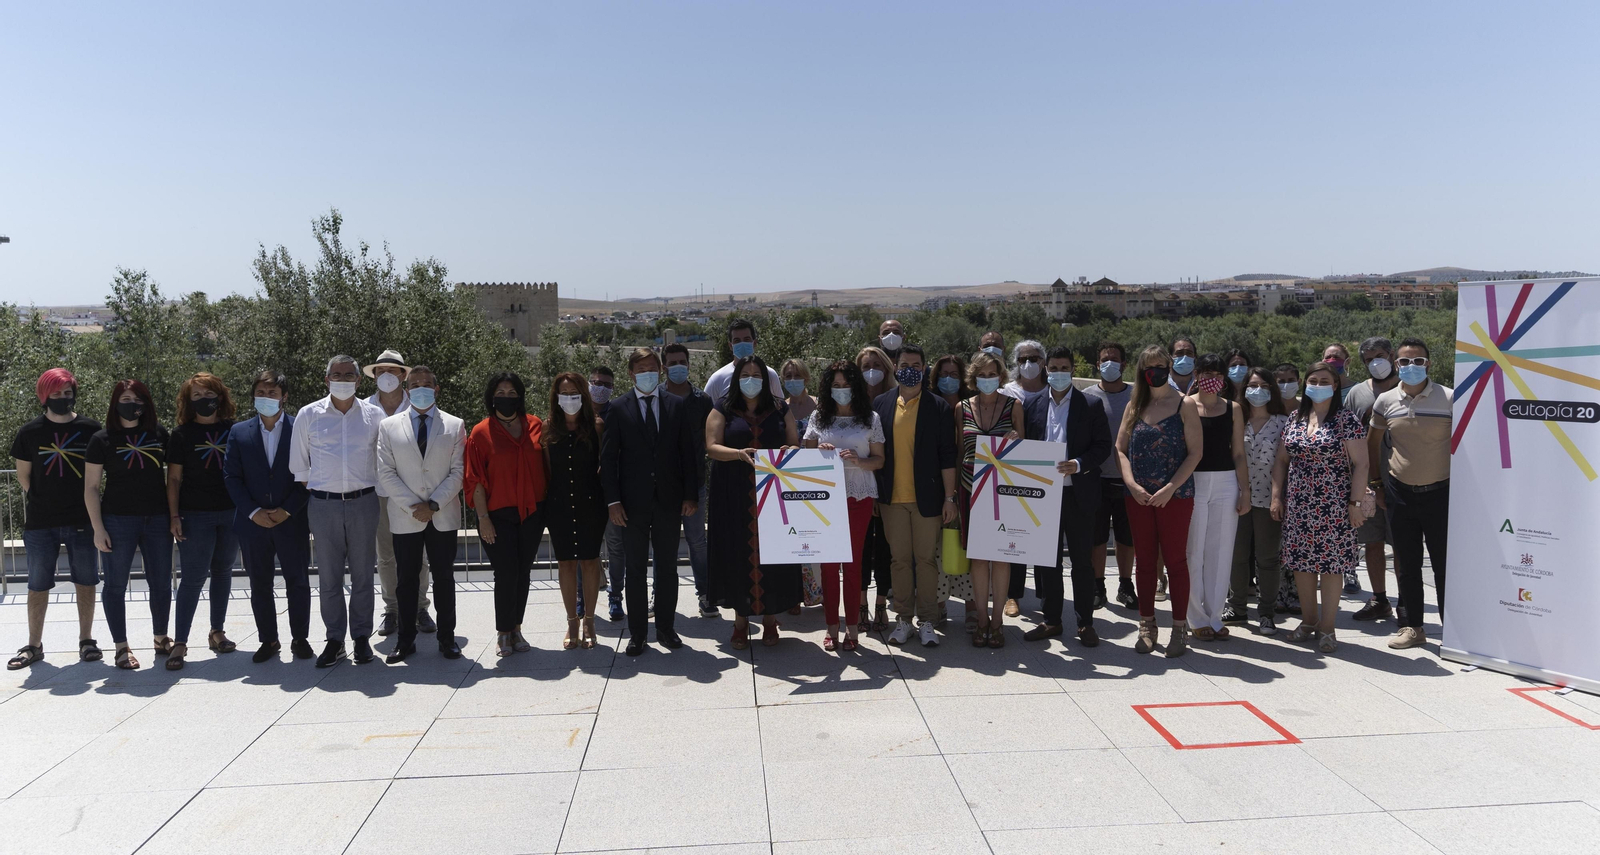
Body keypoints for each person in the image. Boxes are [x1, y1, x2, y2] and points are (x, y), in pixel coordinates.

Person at [601, 347, 700, 656]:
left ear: (659, 371)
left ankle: (667, 629)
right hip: (631, 506)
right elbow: (609, 460)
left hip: (670, 501)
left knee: (668, 568)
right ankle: (638, 634)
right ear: (631, 373)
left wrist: (690, 494)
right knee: (635, 567)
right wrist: (613, 502)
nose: (646, 373)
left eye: (651, 368)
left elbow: (689, 453)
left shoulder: (676, 405)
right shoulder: (617, 408)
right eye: (640, 369)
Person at [289, 354, 386, 668]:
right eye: (336, 374)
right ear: (326, 379)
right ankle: (334, 640)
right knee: (329, 578)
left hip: (364, 503)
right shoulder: (308, 415)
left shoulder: (375, 415)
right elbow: (299, 468)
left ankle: (361, 638)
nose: (342, 379)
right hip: (323, 505)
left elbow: (384, 461)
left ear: (359, 381)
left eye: (348, 375)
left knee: (362, 575)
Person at [1272, 362, 1370, 654]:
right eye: (1312, 380)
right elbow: (1281, 460)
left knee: (1330, 568)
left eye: (1324, 380)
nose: (1317, 385)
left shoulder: (1346, 420)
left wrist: (1355, 503)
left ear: (1336, 385)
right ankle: (1308, 621)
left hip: (1335, 506)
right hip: (1300, 505)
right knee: (1302, 566)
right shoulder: (1294, 419)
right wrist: (1277, 497)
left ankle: (1327, 628)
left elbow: (1362, 464)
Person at [707, 355, 804, 647]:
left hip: (773, 492)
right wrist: (738, 454)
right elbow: (711, 446)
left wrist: (789, 449)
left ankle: (771, 620)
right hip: (733, 492)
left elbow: (794, 441)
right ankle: (740, 621)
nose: (751, 379)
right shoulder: (723, 407)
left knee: (774, 554)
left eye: (757, 374)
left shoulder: (778, 407)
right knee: (738, 553)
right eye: (745, 374)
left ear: (765, 379)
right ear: (736, 379)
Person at [9, 369, 102, 671]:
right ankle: (34, 645)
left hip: (82, 520)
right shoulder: (29, 432)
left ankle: (86, 640)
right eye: (56, 393)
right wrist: (46, 501)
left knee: (86, 582)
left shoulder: (92, 429)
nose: (62, 398)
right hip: (40, 522)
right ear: (44, 395)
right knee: (37, 585)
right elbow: (24, 477)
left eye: (67, 392)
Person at [1021, 347, 1112, 646]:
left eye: (1064, 367)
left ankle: (1085, 623)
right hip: (1043, 496)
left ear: (1073, 369)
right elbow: (1024, 447)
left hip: (1079, 494)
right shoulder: (1031, 404)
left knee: (1082, 562)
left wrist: (1079, 464)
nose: (1058, 372)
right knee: (1047, 563)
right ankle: (1052, 620)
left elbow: (1102, 447)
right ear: (1046, 369)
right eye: (1054, 367)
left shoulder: (1091, 404)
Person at [375, 366, 466, 662]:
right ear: (406, 387)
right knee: (406, 580)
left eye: (427, 383)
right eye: (415, 384)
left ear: (437, 389)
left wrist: (434, 504)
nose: (421, 388)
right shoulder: (389, 426)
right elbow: (385, 472)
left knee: (443, 578)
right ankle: (405, 640)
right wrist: (414, 506)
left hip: (442, 515)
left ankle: (447, 638)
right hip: (405, 516)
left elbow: (458, 472)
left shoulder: (454, 425)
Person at [1117, 345, 1203, 657]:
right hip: (1137, 496)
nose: (1156, 371)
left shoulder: (1184, 404)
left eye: (1161, 365)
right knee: (1145, 560)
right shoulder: (1134, 405)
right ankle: (1146, 624)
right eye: (1149, 366)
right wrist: (1130, 482)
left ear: (1169, 367)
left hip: (1175, 496)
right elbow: (1120, 449)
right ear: (1141, 371)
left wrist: (1170, 487)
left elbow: (1195, 452)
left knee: (1176, 561)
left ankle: (1179, 629)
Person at [224, 370, 313, 664]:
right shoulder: (239, 432)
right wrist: (253, 512)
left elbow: (308, 475)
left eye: (272, 393)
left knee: (297, 582)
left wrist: (287, 510)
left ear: (284, 398)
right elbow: (232, 477)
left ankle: (300, 639)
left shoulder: (300, 428)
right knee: (259, 584)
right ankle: (268, 640)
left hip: (292, 520)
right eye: (260, 393)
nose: (265, 398)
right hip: (253, 523)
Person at [873, 343, 959, 647]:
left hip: (928, 499)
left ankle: (927, 621)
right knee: (899, 560)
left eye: (916, 364)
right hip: (891, 499)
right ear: (895, 368)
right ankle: (903, 620)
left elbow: (948, 455)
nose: (910, 369)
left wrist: (950, 498)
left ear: (924, 368)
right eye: (904, 364)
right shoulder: (881, 404)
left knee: (925, 561)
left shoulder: (938, 407)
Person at [1369, 339, 1452, 651]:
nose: (1411, 367)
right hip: (1399, 493)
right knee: (1407, 564)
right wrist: (1377, 484)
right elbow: (1373, 441)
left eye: (1418, 361)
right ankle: (1412, 627)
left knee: (1444, 565)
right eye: (1405, 362)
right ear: (1396, 365)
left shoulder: (1449, 398)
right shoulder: (1386, 400)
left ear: (1428, 364)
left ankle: (1452, 630)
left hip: (1442, 493)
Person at [85, 379, 173, 670]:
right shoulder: (102, 439)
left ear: (145, 403)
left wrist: (174, 517)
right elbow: (91, 488)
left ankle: (161, 638)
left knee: (161, 582)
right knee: (115, 586)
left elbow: (175, 478)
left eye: (137, 398)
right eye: (125, 398)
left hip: (158, 519)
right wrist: (98, 528)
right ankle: (121, 647)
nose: (131, 403)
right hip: (117, 520)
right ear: (115, 402)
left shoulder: (159, 434)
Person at [465, 373, 550, 656]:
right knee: (505, 572)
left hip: (532, 511)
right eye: (500, 392)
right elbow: (474, 479)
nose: (506, 397)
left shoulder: (536, 425)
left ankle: (517, 628)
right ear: (491, 397)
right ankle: (503, 632)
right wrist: (483, 518)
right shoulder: (480, 432)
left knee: (523, 571)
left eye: (512, 392)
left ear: (520, 396)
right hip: (497, 514)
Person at [804, 360, 885, 651]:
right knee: (827, 566)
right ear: (828, 388)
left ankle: (853, 630)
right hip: (825, 499)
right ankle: (831, 629)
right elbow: (805, 456)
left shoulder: (870, 418)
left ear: (855, 387)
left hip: (859, 495)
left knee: (853, 565)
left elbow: (879, 460)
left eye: (846, 385)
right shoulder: (818, 417)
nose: (841, 390)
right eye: (835, 386)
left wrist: (858, 461)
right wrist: (820, 452)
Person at [166, 373, 240, 667]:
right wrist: (174, 515)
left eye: (207, 393)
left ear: (220, 396)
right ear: (188, 401)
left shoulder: (234, 430)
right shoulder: (181, 435)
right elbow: (173, 479)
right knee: (193, 579)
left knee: (223, 573)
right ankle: (181, 641)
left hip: (231, 512)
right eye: (195, 396)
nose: (203, 400)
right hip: (194, 515)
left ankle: (217, 632)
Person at [364, 350, 434, 640]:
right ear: (375, 376)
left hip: (416, 494)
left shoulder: (419, 404)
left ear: (404, 376)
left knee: (420, 556)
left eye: (393, 371)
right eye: (381, 371)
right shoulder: (364, 409)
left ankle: (419, 608)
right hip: (380, 493)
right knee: (386, 556)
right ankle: (391, 609)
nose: (387, 376)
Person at [957, 352, 1026, 647]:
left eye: (993, 374)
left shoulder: (1014, 406)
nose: (988, 379)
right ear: (974, 377)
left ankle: (997, 621)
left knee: (1000, 556)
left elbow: (1025, 454)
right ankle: (981, 620)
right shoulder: (962, 408)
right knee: (977, 557)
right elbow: (958, 451)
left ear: (1001, 376)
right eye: (982, 375)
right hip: (969, 489)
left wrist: (1015, 441)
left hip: (1003, 493)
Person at [1182, 356, 1250, 641]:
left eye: (1218, 374)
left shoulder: (1233, 408)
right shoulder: (1185, 404)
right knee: (1193, 552)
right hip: (1192, 480)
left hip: (1225, 482)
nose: (1213, 379)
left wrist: (1245, 490)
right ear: (1196, 375)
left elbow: (1238, 452)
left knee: (1221, 553)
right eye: (1207, 373)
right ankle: (1194, 618)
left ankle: (1214, 617)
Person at [540, 372, 605, 650]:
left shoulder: (597, 427)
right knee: (565, 563)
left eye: (575, 393)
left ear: (584, 396)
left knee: (590, 562)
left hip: (591, 503)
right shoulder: (547, 429)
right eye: (564, 393)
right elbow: (545, 470)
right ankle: (571, 622)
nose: (570, 399)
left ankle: (589, 620)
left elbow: (604, 465)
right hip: (559, 505)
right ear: (556, 397)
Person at [1225, 368, 1290, 635]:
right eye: (1252, 385)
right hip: (1237, 496)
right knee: (1237, 555)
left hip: (1269, 498)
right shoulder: (1235, 419)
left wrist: (1278, 497)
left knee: (1267, 558)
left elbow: (1284, 463)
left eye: (1264, 385)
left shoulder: (1284, 422)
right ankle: (1237, 606)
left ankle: (1266, 612)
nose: (1257, 390)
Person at [1343, 337, 1400, 621]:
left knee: (1402, 544)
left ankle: (1407, 602)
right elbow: (1349, 437)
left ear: (1392, 355)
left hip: (1404, 480)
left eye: (1379, 355)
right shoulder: (1356, 393)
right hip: (1368, 481)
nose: (1375, 362)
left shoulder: (1410, 388)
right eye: (1368, 359)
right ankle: (1379, 599)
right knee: (1372, 542)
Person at [662, 343, 718, 618]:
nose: (678, 367)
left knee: (697, 540)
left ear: (689, 364)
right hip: (662, 485)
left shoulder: (702, 400)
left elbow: (709, 442)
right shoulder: (654, 397)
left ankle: (706, 595)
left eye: (682, 361)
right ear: (664, 367)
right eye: (672, 363)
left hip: (695, 483)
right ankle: (658, 596)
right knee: (663, 542)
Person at [1083, 342, 1136, 610]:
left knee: (1127, 538)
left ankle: (1126, 585)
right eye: (1104, 360)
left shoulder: (1137, 396)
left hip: (1129, 481)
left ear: (1125, 365)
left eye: (1115, 360)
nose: (1109, 364)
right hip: (1096, 479)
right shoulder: (1086, 396)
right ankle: (1097, 584)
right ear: (1097, 365)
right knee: (1098, 537)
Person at [999, 339, 1047, 616]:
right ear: (1016, 363)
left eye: (1034, 358)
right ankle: (1012, 595)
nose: (1029, 364)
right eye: (1023, 359)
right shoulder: (1008, 392)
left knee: (1042, 535)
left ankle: (1044, 592)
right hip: (1012, 473)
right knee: (1014, 537)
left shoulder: (1053, 390)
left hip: (1044, 473)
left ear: (1043, 361)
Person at [931, 353, 975, 629]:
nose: (949, 379)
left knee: (967, 546)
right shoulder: (929, 406)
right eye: (943, 374)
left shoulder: (970, 406)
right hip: (935, 486)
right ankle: (939, 606)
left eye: (954, 374)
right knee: (937, 549)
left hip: (968, 485)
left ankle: (972, 607)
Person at [855, 345, 896, 632]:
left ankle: (881, 602)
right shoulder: (850, 404)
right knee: (859, 549)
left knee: (884, 548)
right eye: (865, 365)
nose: (871, 371)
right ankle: (860, 603)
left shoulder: (895, 402)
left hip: (887, 487)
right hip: (856, 488)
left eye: (877, 365)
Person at [590, 365, 627, 623]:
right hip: (585, 493)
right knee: (587, 550)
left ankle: (615, 596)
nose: (600, 387)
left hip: (613, 492)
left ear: (613, 388)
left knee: (616, 547)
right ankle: (583, 596)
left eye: (605, 383)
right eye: (595, 382)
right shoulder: (575, 413)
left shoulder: (619, 412)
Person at [703, 318, 783, 405]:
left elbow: (780, 409)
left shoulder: (770, 375)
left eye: (746, 339)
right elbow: (706, 412)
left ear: (754, 343)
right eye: (737, 341)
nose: (742, 344)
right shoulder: (717, 379)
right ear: (730, 346)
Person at [780, 358, 818, 436]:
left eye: (797, 375)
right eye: (788, 376)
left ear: (806, 379)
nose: (793, 379)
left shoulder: (819, 405)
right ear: (784, 380)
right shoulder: (781, 408)